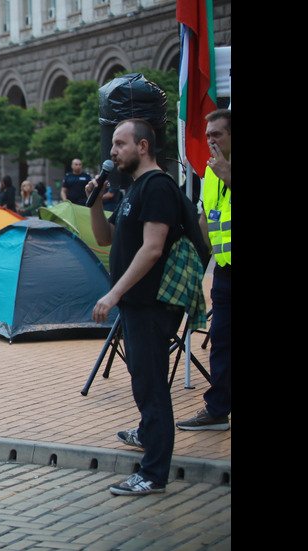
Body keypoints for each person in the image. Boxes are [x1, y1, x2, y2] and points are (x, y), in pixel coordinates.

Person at [88, 118, 195, 496]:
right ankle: (149, 433)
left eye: (119, 144)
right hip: (134, 306)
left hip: (150, 305)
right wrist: (97, 203)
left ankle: (153, 474)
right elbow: (106, 239)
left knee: (151, 388)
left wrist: (113, 293)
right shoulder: (134, 189)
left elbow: (152, 248)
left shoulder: (158, 187)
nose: (112, 151)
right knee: (142, 381)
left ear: (143, 146)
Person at [177, 109, 231, 432]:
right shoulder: (210, 171)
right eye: (208, 134)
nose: (210, 140)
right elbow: (206, 221)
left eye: (217, 135)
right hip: (224, 273)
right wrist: (195, 264)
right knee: (222, 341)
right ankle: (217, 409)